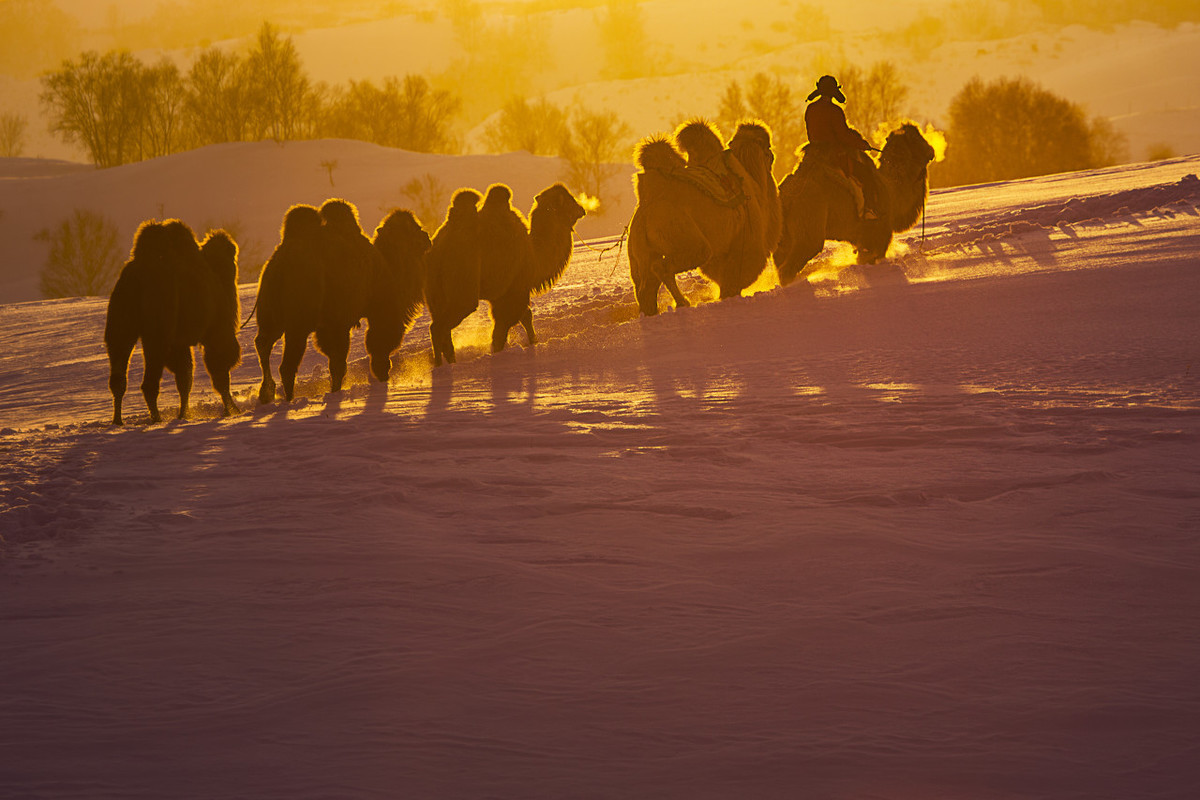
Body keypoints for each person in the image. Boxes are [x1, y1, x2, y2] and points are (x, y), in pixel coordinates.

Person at [804, 75, 878, 219]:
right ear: (833, 93)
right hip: (833, 157)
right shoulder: (835, 111)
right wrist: (862, 145)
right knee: (867, 174)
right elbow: (843, 136)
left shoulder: (810, 108)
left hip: (812, 155)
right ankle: (869, 210)